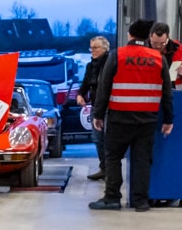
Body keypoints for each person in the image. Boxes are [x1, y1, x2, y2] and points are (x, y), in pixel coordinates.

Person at [89, 20, 173, 212]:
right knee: (142, 160)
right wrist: (169, 119)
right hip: (147, 120)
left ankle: (112, 198)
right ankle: (141, 201)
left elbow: (104, 87)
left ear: (130, 35)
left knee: (113, 157)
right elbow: (167, 92)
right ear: (148, 36)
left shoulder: (117, 55)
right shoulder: (158, 58)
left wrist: (98, 114)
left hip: (119, 118)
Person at [74, 34, 111, 180]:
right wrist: (80, 94)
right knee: (97, 138)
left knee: (108, 139)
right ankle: (104, 168)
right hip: (95, 106)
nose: (92, 51)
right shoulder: (91, 66)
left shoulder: (111, 64)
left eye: (96, 48)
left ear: (105, 48)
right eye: (91, 48)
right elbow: (85, 82)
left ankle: (111, 170)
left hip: (109, 107)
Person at [150, 23, 182, 87]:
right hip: (151, 91)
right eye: (155, 43)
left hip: (175, 91)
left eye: (162, 43)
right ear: (150, 37)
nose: (158, 46)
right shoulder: (142, 49)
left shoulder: (178, 48)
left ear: (167, 38)